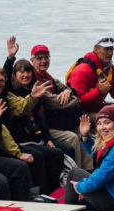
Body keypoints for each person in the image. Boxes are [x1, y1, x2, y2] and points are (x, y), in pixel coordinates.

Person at [5, 38, 92, 170]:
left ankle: (88, 170)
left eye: (46, 57)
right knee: (73, 137)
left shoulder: (47, 79)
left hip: (52, 123)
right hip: (40, 128)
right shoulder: (34, 87)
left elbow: (71, 93)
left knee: (85, 130)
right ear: (32, 61)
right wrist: (10, 57)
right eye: (39, 58)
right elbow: (57, 103)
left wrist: (68, 91)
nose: (44, 61)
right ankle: (78, 174)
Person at [7, 58, 74, 192]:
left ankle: (67, 183)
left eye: (28, 71)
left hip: (37, 137)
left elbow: (41, 117)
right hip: (23, 140)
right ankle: (48, 190)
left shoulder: (35, 89)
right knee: (54, 154)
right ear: (15, 75)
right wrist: (10, 58)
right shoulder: (11, 92)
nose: (25, 75)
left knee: (68, 149)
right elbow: (6, 75)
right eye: (21, 72)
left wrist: (48, 138)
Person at [64, 102, 114, 211]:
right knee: (76, 178)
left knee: (74, 174)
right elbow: (99, 151)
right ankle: (70, 210)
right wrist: (85, 136)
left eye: (107, 123)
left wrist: (79, 187)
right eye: (99, 124)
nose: (102, 128)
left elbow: (101, 177)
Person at [66, 37, 114, 114]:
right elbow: (78, 100)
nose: (110, 53)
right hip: (80, 112)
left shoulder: (110, 68)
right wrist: (98, 91)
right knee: (108, 119)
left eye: (111, 49)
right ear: (96, 49)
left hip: (97, 107)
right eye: (106, 49)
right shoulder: (82, 70)